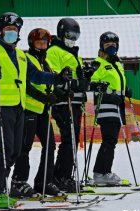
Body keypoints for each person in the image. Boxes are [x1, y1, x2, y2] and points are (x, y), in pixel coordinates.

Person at [0, 12, 71, 209]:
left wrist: (57, 78)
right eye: (7, 30)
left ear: (18, 31)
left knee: (15, 151)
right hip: (0, 106)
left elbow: (37, 76)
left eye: (14, 30)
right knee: (6, 150)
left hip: (18, 107)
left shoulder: (20, 55)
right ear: (1, 31)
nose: (11, 33)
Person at [10, 28, 62, 197]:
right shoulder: (26, 58)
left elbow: (48, 84)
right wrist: (42, 97)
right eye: (38, 43)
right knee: (24, 147)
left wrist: (60, 94)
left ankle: (44, 181)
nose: (41, 46)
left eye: (44, 43)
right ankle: (18, 182)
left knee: (50, 146)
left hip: (43, 110)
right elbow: (26, 84)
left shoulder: (45, 62)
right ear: (32, 43)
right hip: (28, 110)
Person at [46, 18, 89, 192]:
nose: (74, 39)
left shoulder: (73, 53)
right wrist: (75, 84)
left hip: (76, 102)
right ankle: (61, 176)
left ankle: (63, 175)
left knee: (72, 140)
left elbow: (79, 80)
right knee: (69, 139)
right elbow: (56, 78)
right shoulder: (54, 51)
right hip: (64, 102)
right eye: (71, 35)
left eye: (76, 35)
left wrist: (86, 76)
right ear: (62, 32)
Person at [89, 31, 132, 185]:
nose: (111, 48)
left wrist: (125, 89)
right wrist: (108, 96)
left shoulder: (117, 64)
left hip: (117, 106)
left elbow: (118, 81)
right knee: (109, 140)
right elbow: (92, 84)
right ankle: (101, 173)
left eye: (114, 45)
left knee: (111, 140)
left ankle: (103, 171)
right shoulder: (99, 62)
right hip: (106, 105)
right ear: (102, 46)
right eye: (108, 45)